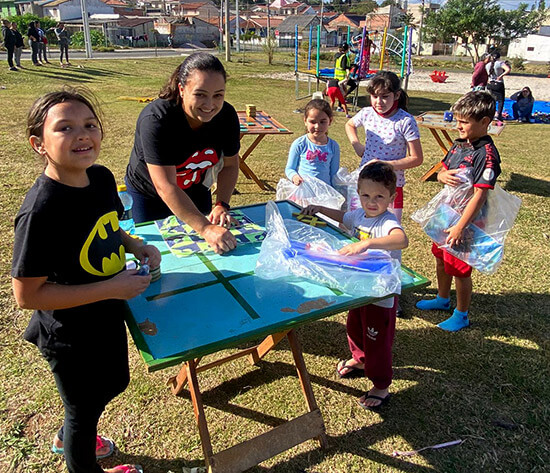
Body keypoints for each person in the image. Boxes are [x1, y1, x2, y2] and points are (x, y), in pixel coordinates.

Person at [11, 88, 161, 473]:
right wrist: (111, 288)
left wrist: (134, 244)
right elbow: (28, 295)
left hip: (106, 314)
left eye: (89, 125)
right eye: (65, 128)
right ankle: (77, 448)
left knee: (113, 382)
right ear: (38, 144)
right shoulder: (41, 210)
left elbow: (111, 226)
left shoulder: (101, 178)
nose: (82, 134)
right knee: (82, 409)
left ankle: (70, 433)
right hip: (68, 333)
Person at [301, 162, 408, 409]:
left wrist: (366, 244)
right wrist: (320, 209)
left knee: (377, 339)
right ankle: (360, 360)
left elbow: (401, 239)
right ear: (358, 194)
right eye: (366, 195)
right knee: (354, 326)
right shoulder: (359, 214)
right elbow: (344, 217)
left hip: (380, 293)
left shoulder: (387, 221)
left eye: (379, 196)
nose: (372, 202)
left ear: (391, 197)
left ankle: (381, 384)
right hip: (358, 286)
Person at [125, 52, 241, 254]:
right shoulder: (156, 120)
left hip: (195, 190)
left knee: (207, 255)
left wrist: (222, 203)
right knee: (155, 256)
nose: (210, 105)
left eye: (218, 95)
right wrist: (205, 228)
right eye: (200, 94)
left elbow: (231, 165)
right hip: (149, 196)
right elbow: (165, 186)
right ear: (181, 89)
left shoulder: (227, 116)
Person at [416, 91, 501, 332]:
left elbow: (480, 194)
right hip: (446, 214)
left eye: (464, 122)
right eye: (457, 120)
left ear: (484, 122)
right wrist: (441, 174)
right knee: (441, 258)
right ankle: (443, 299)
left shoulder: (486, 155)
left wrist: (461, 226)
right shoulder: (459, 144)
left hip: (467, 221)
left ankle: (461, 314)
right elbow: (443, 168)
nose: (458, 126)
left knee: (460, 268)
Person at [345, 70, 423, 224]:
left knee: (388, 227)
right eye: (375, 96)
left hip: (391, 185)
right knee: (359, 223)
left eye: (385, 96)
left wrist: (387, 165)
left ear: (397, 95)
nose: (379, 102)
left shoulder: (405, 121)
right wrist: (357, 145)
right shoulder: (367, 113)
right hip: (366, 181)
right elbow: (350, 124)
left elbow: (417, 158)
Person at [285, 99, 340, 187]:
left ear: (330, 121)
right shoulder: (300, 144)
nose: (317, 126)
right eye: (313, 122)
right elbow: (290, 168)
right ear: (305, 121)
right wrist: (294, 177)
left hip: (324, 193)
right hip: (304, 192)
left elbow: (334, 174)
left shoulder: (333, 146)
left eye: (322, 122)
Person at [486, 52, 511, 122]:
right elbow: (508, 69)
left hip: (490, 83)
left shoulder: (487, 65)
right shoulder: (500, 63)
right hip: (498, 83)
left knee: (492, 100)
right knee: (500, 100)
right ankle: (498, 115)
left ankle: (491, 113)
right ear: (499, 57)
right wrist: (501, 76)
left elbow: (487, 74)